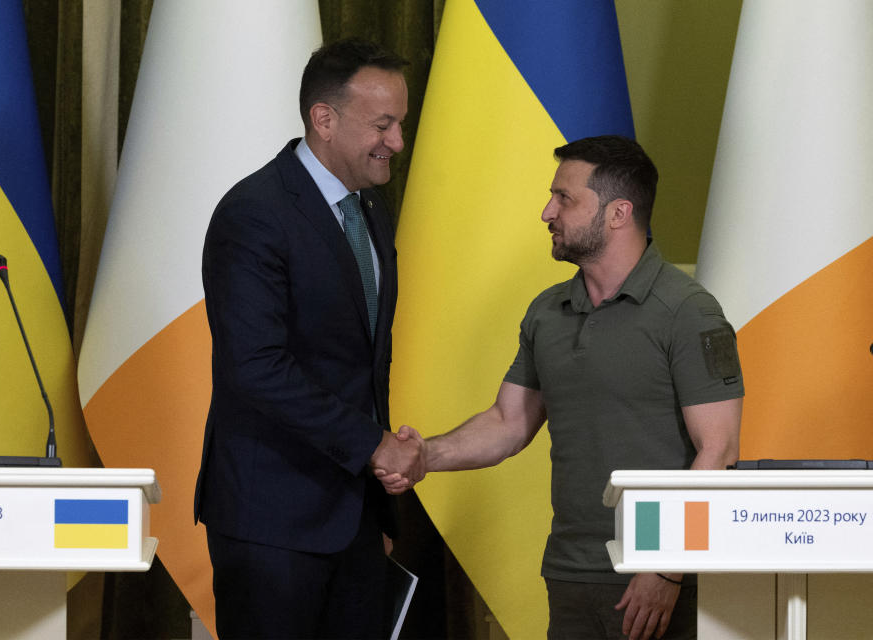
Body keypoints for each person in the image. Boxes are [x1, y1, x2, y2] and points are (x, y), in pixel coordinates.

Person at [378, 136, 744, 640]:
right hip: (569, 573)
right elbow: (509, 423)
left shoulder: (689, 312)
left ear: (618, 213)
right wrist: (424, 454)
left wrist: (665, 568)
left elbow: (718, 451)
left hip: (657, 581)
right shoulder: (547, 312)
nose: (547, 211)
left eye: (564, 198)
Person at [194, 38, 424, 639]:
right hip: (272, 522)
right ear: (324, 119)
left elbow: (362, 361)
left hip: (353, 519)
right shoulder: (254, 213)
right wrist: (372, 445)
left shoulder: (370, 209)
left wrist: (374, 498)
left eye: (400, 123)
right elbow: (255, 367)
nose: (397, 142)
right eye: (383, 124)